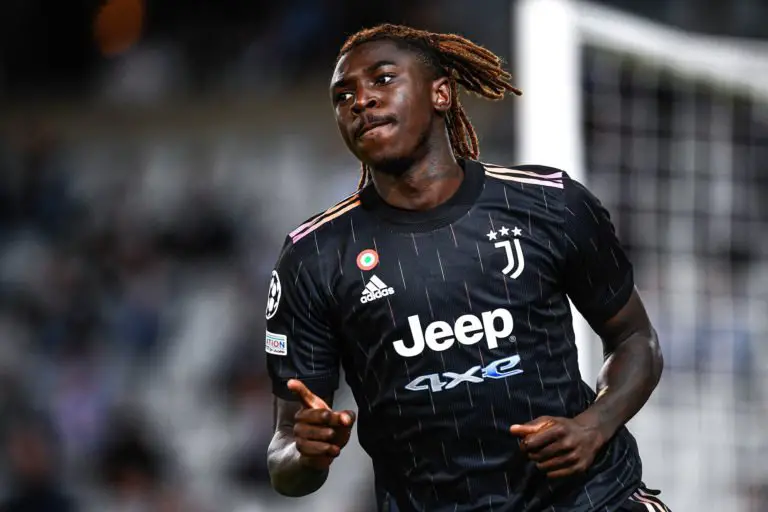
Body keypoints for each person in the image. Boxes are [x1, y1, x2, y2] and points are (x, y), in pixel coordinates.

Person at [264, 24, 669, 512]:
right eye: (342, 95)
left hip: (592, 498)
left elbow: (635, 339)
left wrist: (594, 425)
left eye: (383, 79)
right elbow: (285, 457)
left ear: (441, 93)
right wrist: (306, 454)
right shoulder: (312, 258)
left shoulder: (549, 204)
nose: (361, 100)